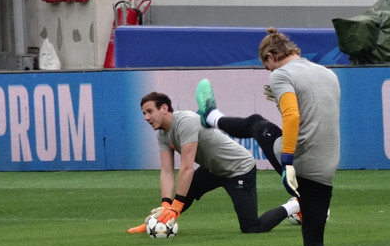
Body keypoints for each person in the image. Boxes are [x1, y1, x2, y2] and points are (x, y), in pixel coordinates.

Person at [196, 27, 340, 246]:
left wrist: (287, 162)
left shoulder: (281, 76)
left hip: (297, 162)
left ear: (272, 56)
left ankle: (211, 116)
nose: (269, 73)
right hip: (326, 169)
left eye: (267, 66)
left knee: (255, 124)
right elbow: (316, 115)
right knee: (314, 245)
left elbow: (292, 117)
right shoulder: (328, 74)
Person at [127, 92, 300, 234]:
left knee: (252, 228)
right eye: (144, 113)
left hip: (239, 169)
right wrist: (166, 205)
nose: (146, 117)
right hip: (212, 169)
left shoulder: (185, 121)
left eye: (149, 111)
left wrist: (176, 206)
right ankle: (156, 223)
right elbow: (167, 171)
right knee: (181, 196)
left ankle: (295, 205)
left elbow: (187, 168)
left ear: (164, 108)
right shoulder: (162, 134)